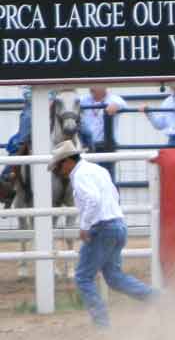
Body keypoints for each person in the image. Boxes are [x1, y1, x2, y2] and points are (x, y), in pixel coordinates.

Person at [48, 140, 157, 328]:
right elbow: (113, 196)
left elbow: (93, 200)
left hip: (102, 228)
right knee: (114, 277)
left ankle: (101, 323)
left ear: (67, 161)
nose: (58, 170)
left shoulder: (80, 175)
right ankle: (159, 299)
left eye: (58, 166)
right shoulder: (98, 170)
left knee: (83, 277)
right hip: (117, 225)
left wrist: (85, 226)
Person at [80, 87, 127, 179]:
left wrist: (116, 105)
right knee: (88, 177)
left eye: (94, 85)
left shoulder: (113, 99)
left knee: (107, 177)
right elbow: (70, 103)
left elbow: (122, 104)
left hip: (105, 146)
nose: (91, 88)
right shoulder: (83, 100)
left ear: (104, 86)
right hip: (87, 147)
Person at [0, 87, 33, 207]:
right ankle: (8, 179)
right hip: (43, 100)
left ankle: (7, 177)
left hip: (52, 103)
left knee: (19, 141)